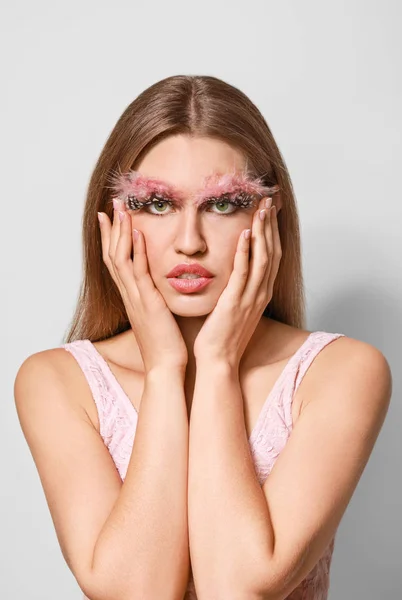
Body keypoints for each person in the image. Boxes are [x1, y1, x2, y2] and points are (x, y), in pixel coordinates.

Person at [14, 75, 392, 600]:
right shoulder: (58, 381)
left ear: (267, 215)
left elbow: (236, 587)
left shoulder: (341, 372)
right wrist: (166, 367)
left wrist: (216, 363)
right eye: (156, 204)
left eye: (221, 204)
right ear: (112, 219)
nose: (189, 242)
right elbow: (134, 592)